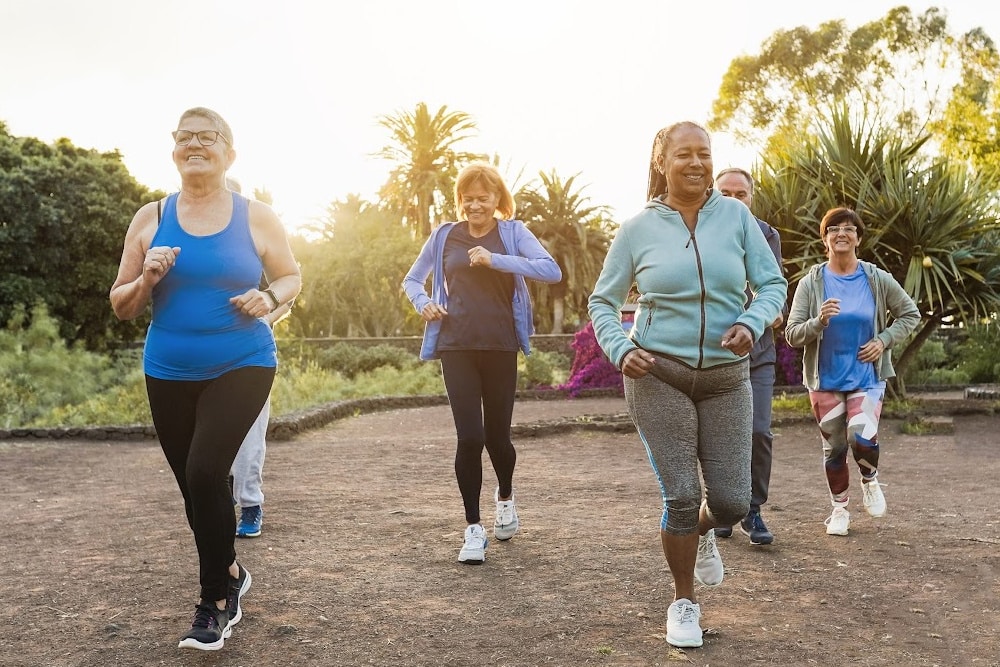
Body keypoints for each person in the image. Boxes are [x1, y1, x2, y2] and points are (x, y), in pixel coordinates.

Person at [588, 122, 787, 648]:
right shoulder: (636, 229)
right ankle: (683, 603)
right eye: (684, 155)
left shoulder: (737, 217)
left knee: (731, 503)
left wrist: (753, 319)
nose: (696, 163)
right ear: (662, 162)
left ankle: (700, 536)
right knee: (679, 495)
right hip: (659, 372)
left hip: (726, 377)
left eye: (705, 154)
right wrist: (622, 348)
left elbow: (772, 284)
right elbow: (602, 302)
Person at [109, 107, 301, 651]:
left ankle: (213, 603)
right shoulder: (149, 218)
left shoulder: (256, 216)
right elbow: (120, 305)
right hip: (167, 369)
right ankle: (233, 572)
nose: (196, 144)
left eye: (208, 137)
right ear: (173, 150)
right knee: (196, 489)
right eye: (185, 137)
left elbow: (291, 274)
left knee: (205, 468)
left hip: (243, 361)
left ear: (229, 152)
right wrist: (146, 278)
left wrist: (267, 297)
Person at [402, 162, 561, 564]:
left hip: (500, 345)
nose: (475, 205)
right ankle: (473, 528)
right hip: (456, 346)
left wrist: (497, 260)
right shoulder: (443, 236)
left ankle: (505, 495)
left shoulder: (512, 233)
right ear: (460, 201)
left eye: (483, 198)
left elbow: (551, 270)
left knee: (497, 439)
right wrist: (424, 303)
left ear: (497, 200)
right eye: (468, 198)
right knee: (469, 438)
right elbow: (411, 280)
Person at [784, 207, 919, 537]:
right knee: (835, 448)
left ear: (859, 238)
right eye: (833, 228)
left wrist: (883, 341)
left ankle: (870, 480)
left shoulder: (876, 278)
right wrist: (819, 322)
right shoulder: (811, 283)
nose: (841, 233)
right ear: (825, 239)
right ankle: (840, 509)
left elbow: (909, 315)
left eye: (849, 228)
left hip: (866, 376)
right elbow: (791, 334)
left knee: (860, 435)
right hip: (825, 378)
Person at [712, 167, 785, 546]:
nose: (733, 199)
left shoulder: (767, 234)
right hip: (711, 352)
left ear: (751, 197)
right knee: (719, 436)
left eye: (741, 194)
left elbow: (772, 292)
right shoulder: (698, 228)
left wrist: (755, 320)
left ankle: (753, 509)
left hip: (757, 352)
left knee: (757, 431)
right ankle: (724, 508)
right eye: (726, 192)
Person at [224, 177, 295, 540]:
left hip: (251, 351)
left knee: (251, 435)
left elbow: (288, 287)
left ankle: (250, 505)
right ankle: (218, 505)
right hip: (202, 353)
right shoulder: (185, 230)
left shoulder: (256, 235)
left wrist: (267, 311)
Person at [231, 296, 292, 538]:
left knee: (250, 438)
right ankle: (225, 493)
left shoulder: (263, 261)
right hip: (210, 356)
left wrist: (265, 319)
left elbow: (287, 297)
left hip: (253, 359)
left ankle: (250, 505)